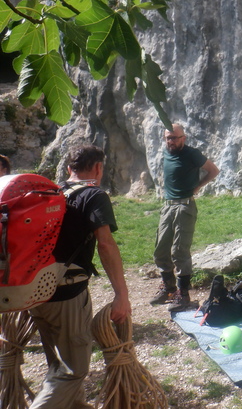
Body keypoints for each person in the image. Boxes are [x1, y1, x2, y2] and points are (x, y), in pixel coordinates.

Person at [28, 144, 131, 408]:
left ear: (68, 169)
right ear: (98, 168)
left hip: (33, 292)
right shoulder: (94, 195)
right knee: (73, 371)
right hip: (66, 294)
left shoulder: (50, 193)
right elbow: (105, 244)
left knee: (58, 365)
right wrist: (121, 294)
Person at [150, 122, 220, 312]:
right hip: (168, 206)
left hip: (185, 206)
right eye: (168, 138)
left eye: (174, 138)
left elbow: (213, 170)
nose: (171, 141)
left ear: (183, 138)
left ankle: (183, 294)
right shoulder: (167, 152)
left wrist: (197, 186)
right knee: (160, 249)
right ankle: (168, 288)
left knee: (180, 251)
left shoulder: (192, 154)